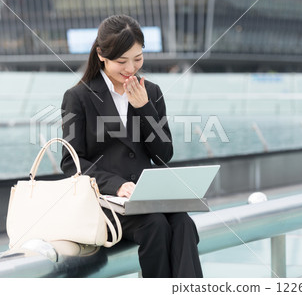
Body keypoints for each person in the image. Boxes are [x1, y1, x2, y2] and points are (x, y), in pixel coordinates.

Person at [60, 15, 202, 278]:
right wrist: (116, 185)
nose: (131, 68)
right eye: (122, 61)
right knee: (155, 225)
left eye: (138, 58)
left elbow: (163, 155)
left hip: (146, 196)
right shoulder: (77, 97)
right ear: (101, 55)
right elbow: (71, 163)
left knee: (183, 222)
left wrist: (144, 107)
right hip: (105, 199)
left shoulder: (152, 92)